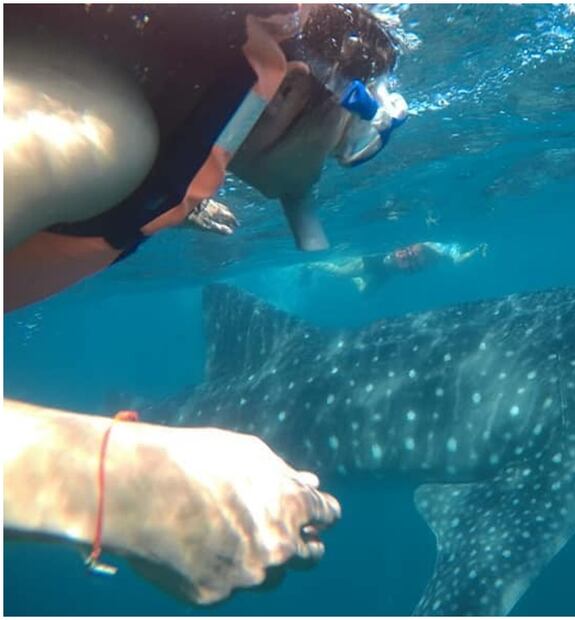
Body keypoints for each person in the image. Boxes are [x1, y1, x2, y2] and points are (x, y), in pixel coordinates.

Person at [3, 4, 404, 605]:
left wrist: (169, 207)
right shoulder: (100, 130)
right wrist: (124, 486)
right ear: (291, 89)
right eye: (351, 138)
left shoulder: (119, 122)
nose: (334, 167)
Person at [309, 241, 489, 292]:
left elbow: (458, 259)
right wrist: (475, 251)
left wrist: (474, 251)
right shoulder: (434, 247)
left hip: (388, 273)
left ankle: (359, 279)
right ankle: (312, 264)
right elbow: (458, 259)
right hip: (377, 261)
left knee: (364, 293)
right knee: (341, 273)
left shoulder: (445, 252)